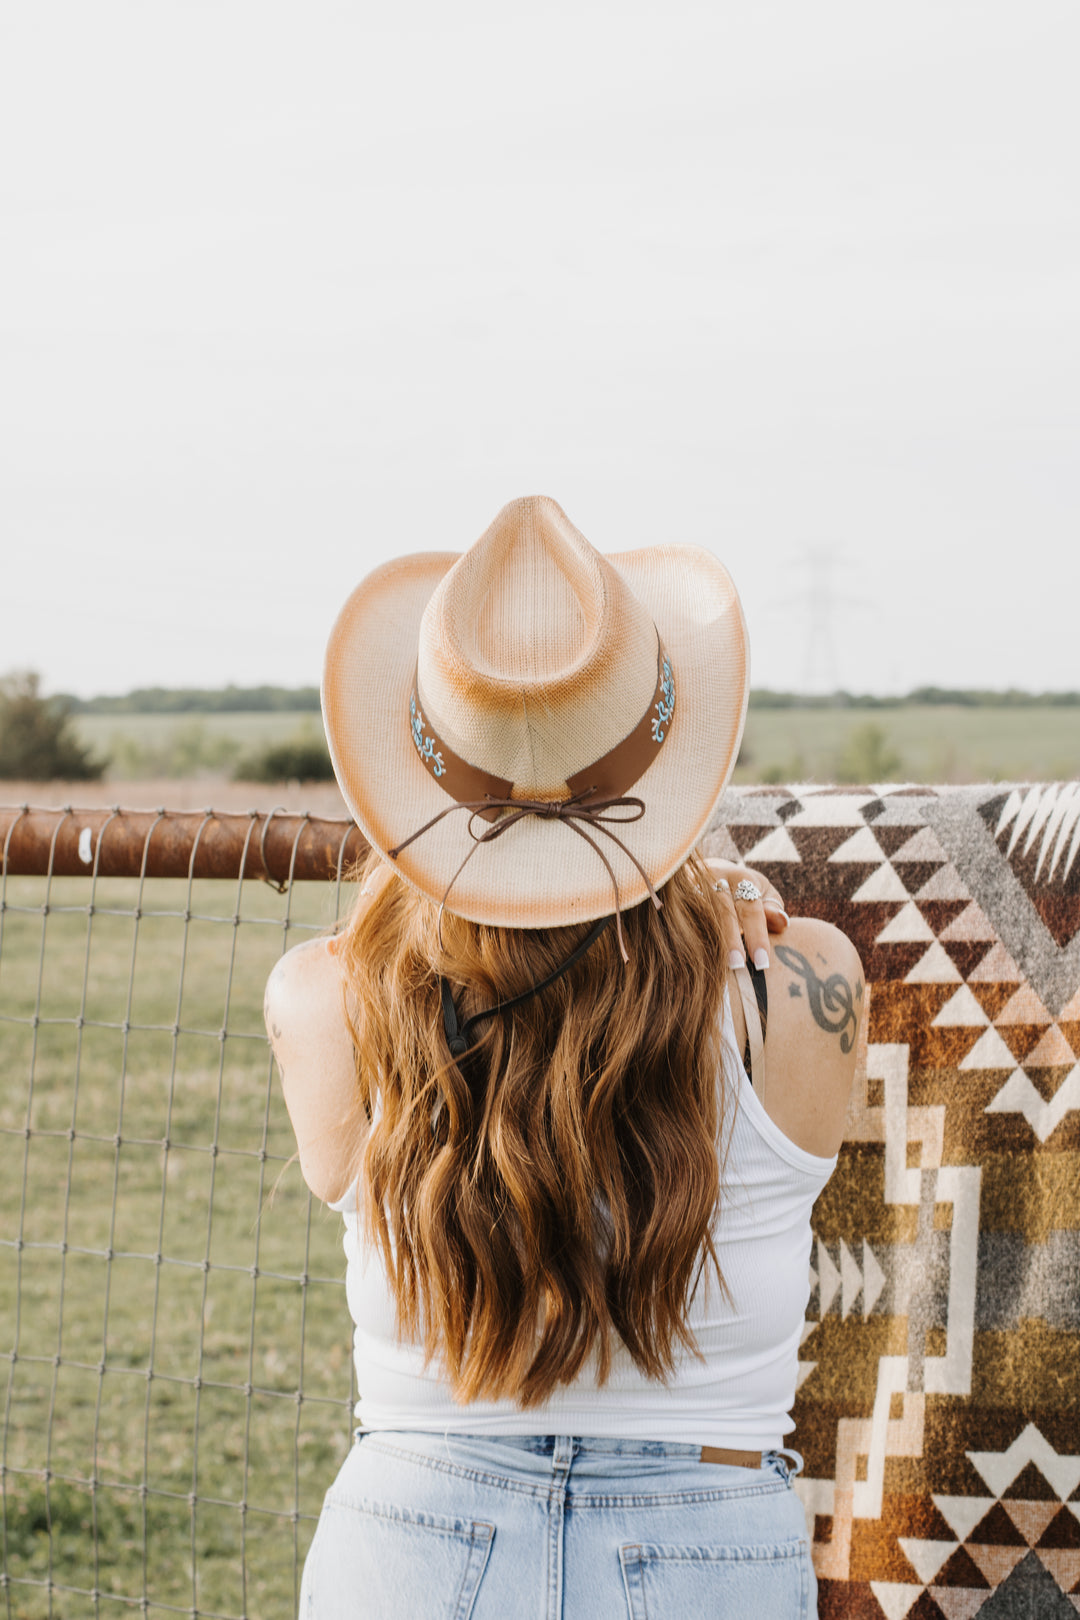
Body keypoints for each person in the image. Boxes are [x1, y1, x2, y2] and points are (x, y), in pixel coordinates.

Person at [265, 496, 862, 1619]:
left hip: (404, 1543)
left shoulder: (322, 997)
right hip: (705, 1552)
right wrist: (702, 879)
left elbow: (430, 936)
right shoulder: (801, 984)